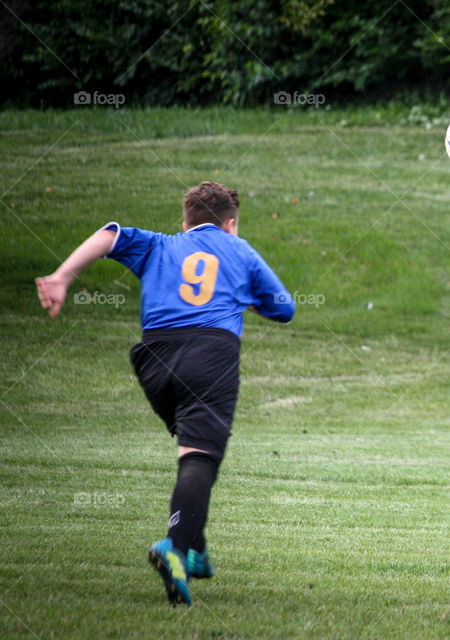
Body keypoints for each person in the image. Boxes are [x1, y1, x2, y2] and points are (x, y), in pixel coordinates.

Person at [36, 181, 295, 606]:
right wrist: (245, 298)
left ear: (185, 222)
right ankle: (176, 547)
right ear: (230, 225)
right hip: (210, 355)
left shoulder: (159, 245)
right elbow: (285, 308)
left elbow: (110, 234)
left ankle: (195, 548)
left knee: (193, 454)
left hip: (154, 361)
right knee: (199, 459)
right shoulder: (240, 250)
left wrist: (63, 277)